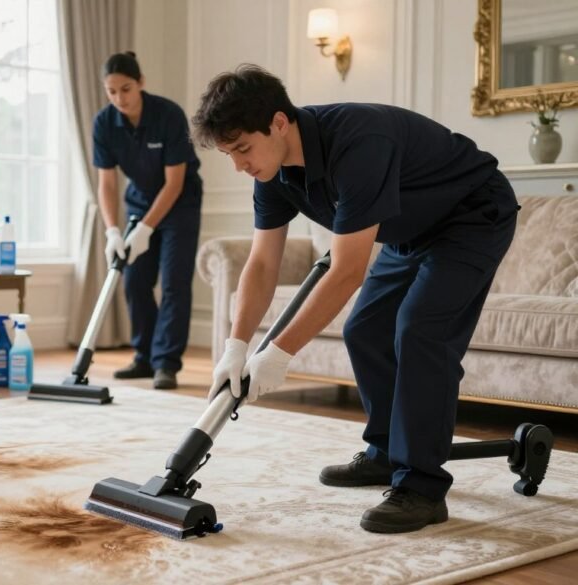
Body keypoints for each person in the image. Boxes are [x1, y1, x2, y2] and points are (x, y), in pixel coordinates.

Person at [192, 65, 518, 533]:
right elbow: (262, 263)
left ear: (280, 122)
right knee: (364, 329)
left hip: (472, 215)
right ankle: (387, 453)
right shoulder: (273, 173)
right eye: (229, 154)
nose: (239, 165)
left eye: (243, 148)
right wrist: (236, 346)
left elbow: (347, 272)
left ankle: (421, 486)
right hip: (412, 230)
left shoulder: (359, 142)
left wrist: (279, 352)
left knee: (421, 329)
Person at [93, 51, 204, 390]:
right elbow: (107, 184)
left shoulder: (168, 115)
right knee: (135, 280)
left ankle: (166, 363)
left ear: (141, 82)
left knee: (173, 282)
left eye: (125, 89)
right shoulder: (104, 123)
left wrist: (146, 228)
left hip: (180, 204)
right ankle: (144, 356)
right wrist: (113, 230)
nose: (119, 98)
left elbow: (174, 183)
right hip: (139, 205)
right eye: (111, 91)